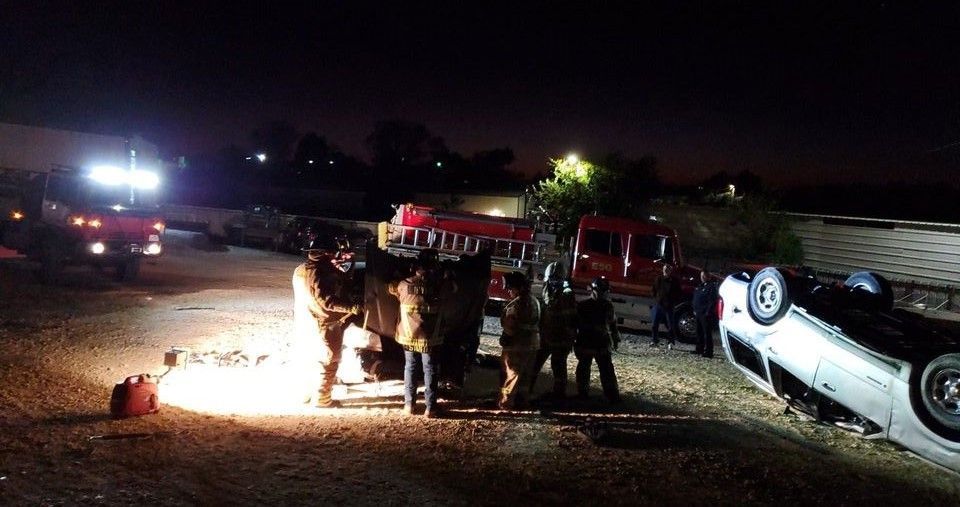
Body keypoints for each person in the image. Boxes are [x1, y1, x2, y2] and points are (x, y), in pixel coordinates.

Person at [292, 239, 362, 408]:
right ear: (325, 253)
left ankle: (306, 393)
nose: (335, 255)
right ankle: (322, 399)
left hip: (305, 320)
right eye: (333, 252)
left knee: (309, 358)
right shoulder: (320, 273)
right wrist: (351, 307)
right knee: (329, 360)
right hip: (324, 322)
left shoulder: (301, 269)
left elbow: (339, 278)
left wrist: (348, 264)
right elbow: (326, 301)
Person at [390, 249, 446, 418]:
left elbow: (391, 288)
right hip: (430, 338)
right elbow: (455, 289)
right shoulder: (440, 286)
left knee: (410, 367)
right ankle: (430, 408)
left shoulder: (404, 285)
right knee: (430, 370)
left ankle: (409, 406)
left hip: (408, 336)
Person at [529, 262, 578, 401]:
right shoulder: (547, 289)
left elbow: (570, 319)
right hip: (545, 335)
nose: (553, 281)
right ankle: (526, 390)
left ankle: (559, 395)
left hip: (560, 338)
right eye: (551, 278)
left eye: (556, 279)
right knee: (535, 364)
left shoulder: (567, 295)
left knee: (558, 366)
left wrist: (569, 338)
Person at [574, 277, 621, 403]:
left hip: (596, 343)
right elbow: (575, 325)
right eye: (603, 291)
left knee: (605, 369)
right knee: (587, 369)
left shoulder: (604, 305)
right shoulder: (585, 306)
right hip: (590, 342)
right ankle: (584, 393)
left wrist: (615, 339)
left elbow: (612, 324)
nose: (604, 294)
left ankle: (610, 394)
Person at [498, 271, 541, 409]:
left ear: (519, 288)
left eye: (511, 288)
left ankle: (506, 402)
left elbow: (510, 327)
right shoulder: (535, 301)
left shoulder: (515, 305)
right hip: (533, 345)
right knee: (526, 376)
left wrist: (505, 339)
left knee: (512, 375)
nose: (509, 291)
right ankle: (522, 400)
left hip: (516, 345)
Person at [650, 264, 678, 349]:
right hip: (658, 305)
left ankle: (671, 342)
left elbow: (678, 292)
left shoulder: (674, 281)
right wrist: (657, 299)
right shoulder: (658, 279)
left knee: (670, 325)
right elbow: (653, 290)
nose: (665, 271)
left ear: (670, 271)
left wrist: (672, 301)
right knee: (654, 324)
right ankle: (654, 341)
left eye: (667, 269)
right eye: (664, 269)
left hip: (669, 306)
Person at [692, 271, 719, 358]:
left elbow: (712, 301)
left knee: (706, 333)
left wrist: (708, 311)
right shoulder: (700, 286)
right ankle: (699, 349)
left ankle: (709, 351)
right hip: (698, 312)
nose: (702, 277)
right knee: (698, 332)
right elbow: (696, 298)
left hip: (706, 314)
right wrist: (694, 309)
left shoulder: (711, 287)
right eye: (701, 276)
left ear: (708, 277)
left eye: (704, 276)